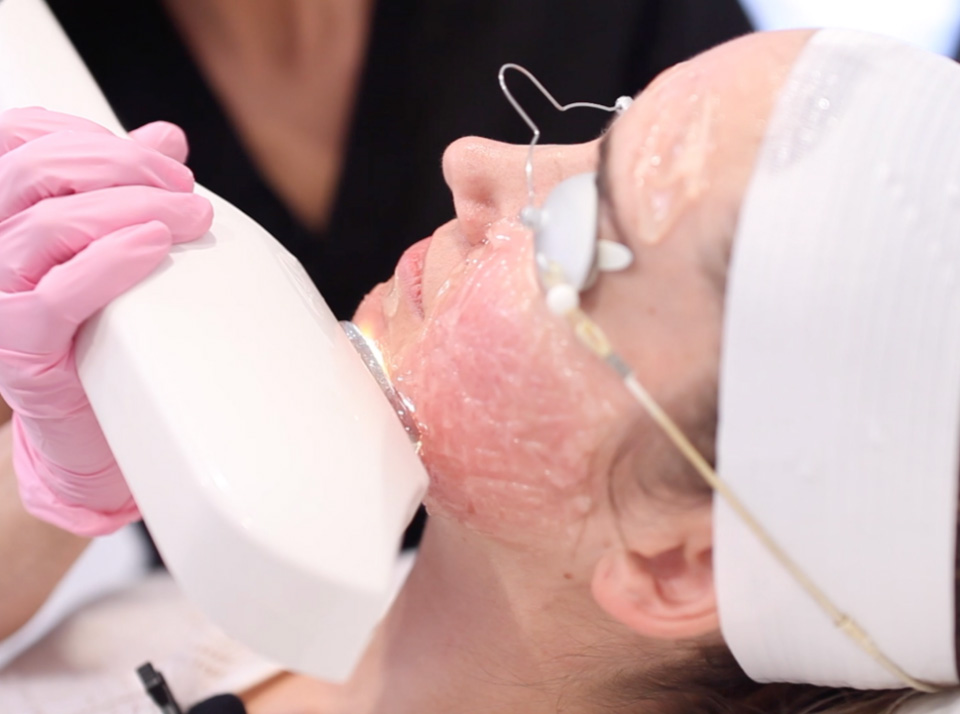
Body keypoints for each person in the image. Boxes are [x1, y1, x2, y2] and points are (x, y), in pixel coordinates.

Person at [3, 26, 960, 714]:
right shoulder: (133, 634)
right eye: (607, 126)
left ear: (678, 563)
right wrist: (50, 491)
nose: (474, 161)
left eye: (585, 232)